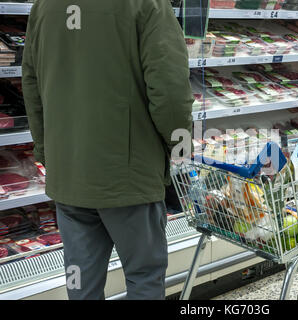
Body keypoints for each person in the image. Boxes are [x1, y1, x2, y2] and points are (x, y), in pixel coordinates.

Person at [22, 0, 193, 300]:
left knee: (80, 281)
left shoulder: (43, 6)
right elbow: (169, 91)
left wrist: (47, 152)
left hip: (69, 174)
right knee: (144, 276)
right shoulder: (148, 5)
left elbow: (32, 85)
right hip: (130, 176)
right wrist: (179, 144)